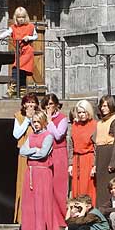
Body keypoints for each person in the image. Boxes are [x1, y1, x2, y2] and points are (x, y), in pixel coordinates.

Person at [19, 111, 59, 230]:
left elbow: (43, 154)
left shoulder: (48, 136)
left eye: (38, 122)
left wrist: (34, 151)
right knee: (30, 204)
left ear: (42, 122)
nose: (35, 124)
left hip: (43, 173)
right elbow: (22, 151)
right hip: (31, 172)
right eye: (34, 122)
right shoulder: (30, 136)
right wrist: (34, 150)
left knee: (43, 203)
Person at [93, 94, 115, 213]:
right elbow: (94, 139)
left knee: (112, 187)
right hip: (101, 155)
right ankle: (101, 213)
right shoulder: (100, 122)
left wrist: (113, 162)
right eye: (102, 106)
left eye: (106, 105)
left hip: (111, 155)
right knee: (101, 188)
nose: (103, 108)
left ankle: (113, 213)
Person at [0, 7, 38, 97]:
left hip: (27, 51)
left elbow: (35, 36)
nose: (21, 19)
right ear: (16, 18)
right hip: (19, 52)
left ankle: (12, 89)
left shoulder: (30, 26)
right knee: (21, 71)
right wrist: (0, 36)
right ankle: (22, 92)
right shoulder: (13, 27)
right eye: (19, 17)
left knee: (16, 68)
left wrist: (29, 37)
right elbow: (8, 32)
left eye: (23, 17)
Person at [12, 93, 40, 224]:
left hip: (38, 154)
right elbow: (16, 134)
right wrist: (27, 120)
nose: (30, 105)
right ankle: (22, 217)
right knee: (23, 183)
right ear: (23, 104)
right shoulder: (19, 116)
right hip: (24, 155)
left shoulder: (40, 116)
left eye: (33, 102)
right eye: (28, 102)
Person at [42, 94, 69, 222]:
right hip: (46, 154)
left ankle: (62, 219)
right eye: (47, 104)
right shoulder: (43, 118)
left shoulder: (62, 118)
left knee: (59, 187)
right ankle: (50, 219)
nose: (49, 107)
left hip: (59, 153)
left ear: (56, 104)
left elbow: (58, 135)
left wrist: (49, 122)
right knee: (47, 188)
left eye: (51, 104)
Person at [69, 100, 97, 202]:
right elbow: (71, 145)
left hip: (88, 159)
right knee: (76, 187)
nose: (81, 115)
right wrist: (70, 164)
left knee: (87, 187)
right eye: (79, 112)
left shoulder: (94, 125)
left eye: (84, 112)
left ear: (88, 112)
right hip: (77, 159)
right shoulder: (74, 125)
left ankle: (89, 212)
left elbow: (96, 146)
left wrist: (94, 165)